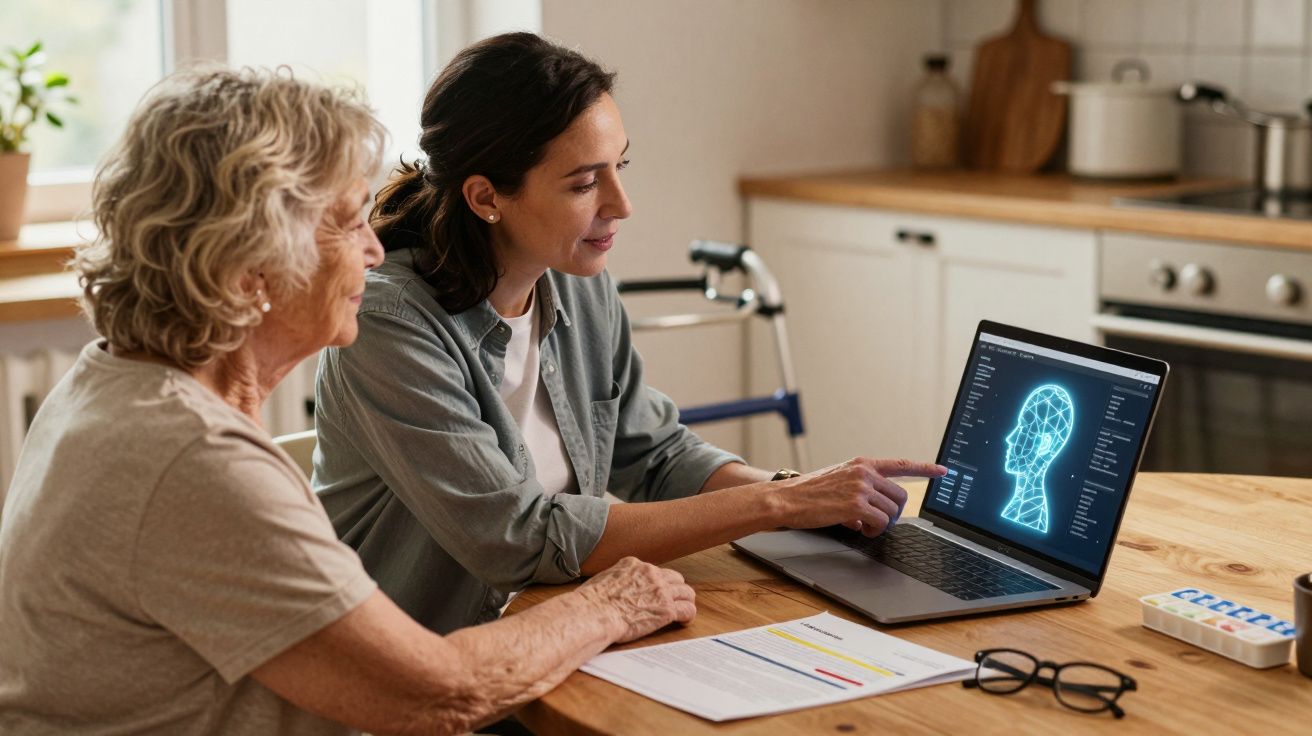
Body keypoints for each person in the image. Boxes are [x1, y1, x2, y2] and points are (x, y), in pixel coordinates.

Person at [0, 66, 694, 736]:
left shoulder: (115, 384)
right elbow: (437, 694)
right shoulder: (192, 459)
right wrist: (611, 605)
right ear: (247, 268)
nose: (373, 250)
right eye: (344, 223)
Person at [313, 31, 947, 635]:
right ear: (486, 198)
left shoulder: (578, 282)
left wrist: (810, 496)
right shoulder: (387, 323)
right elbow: (519, 539)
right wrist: (780, 505)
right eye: (585, 183)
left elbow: (655, 454)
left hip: (564, 628)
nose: (621, 204)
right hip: (429, 665)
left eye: (620, 166)